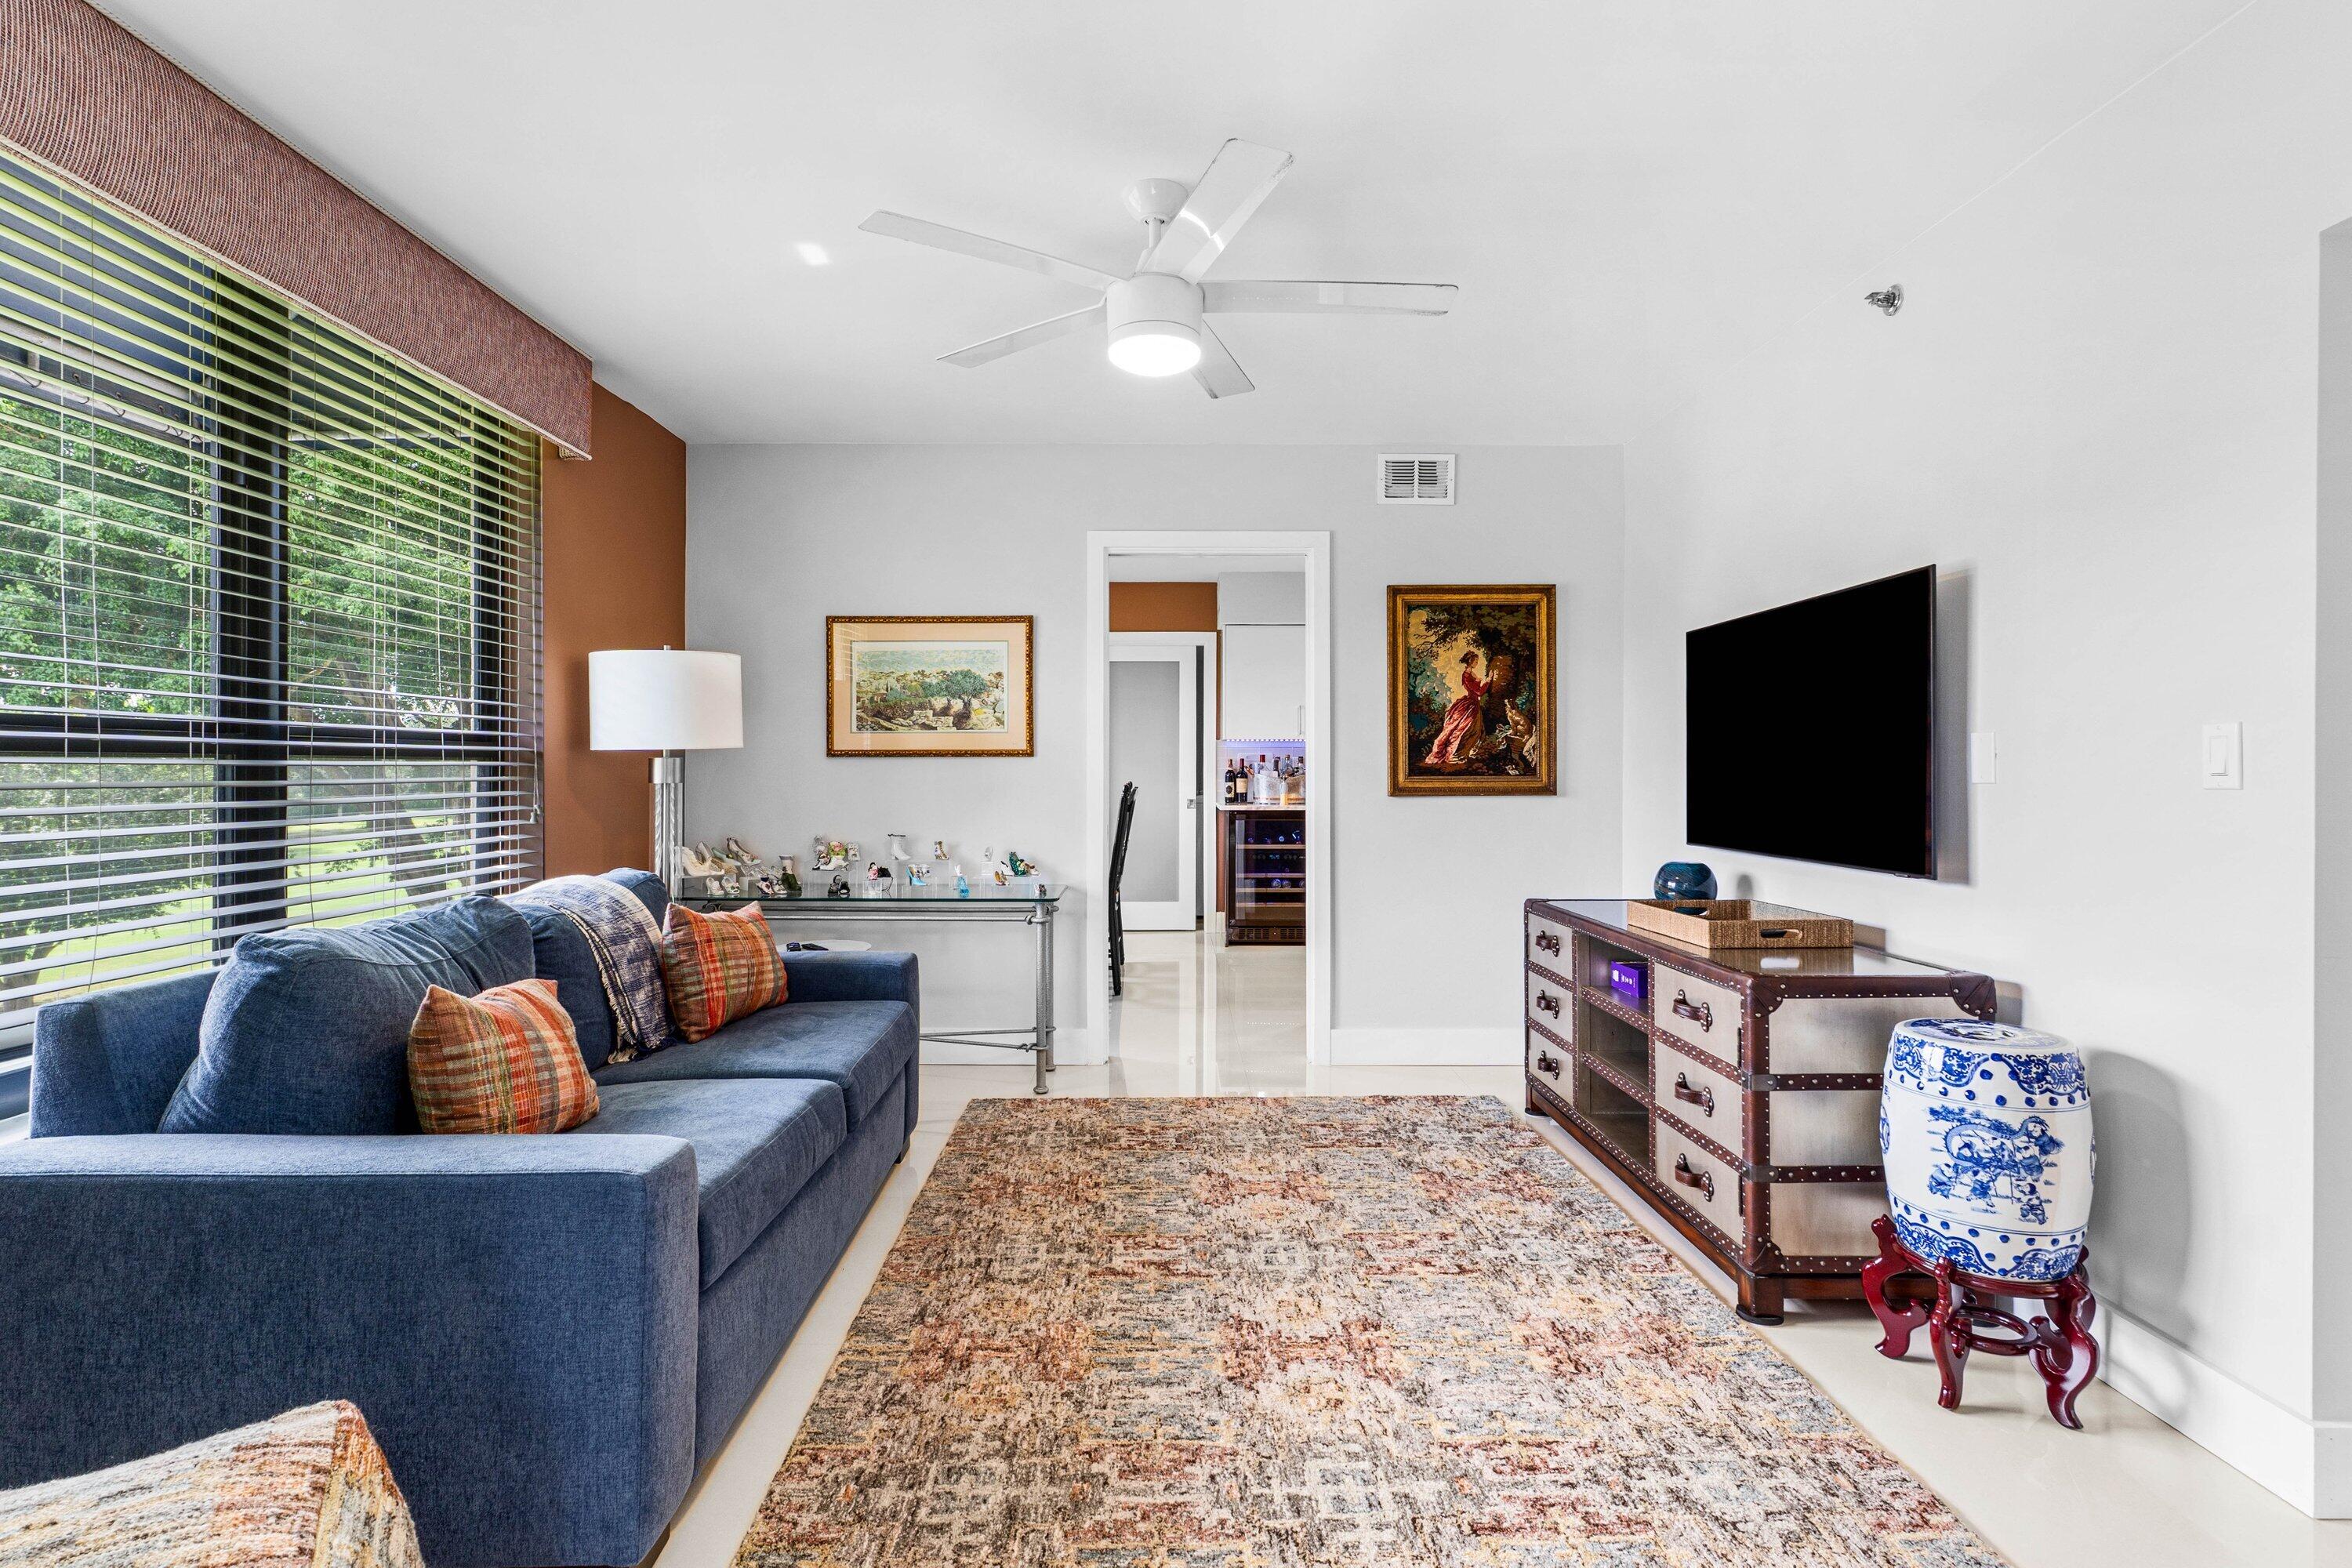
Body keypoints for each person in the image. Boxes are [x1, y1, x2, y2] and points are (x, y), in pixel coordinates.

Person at [1423, 646, 1486, 765]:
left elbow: (1477, 691)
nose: (1477, 663)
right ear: (1470, 662)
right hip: (1469, 706)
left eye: (1477, 661)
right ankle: (1453, 754)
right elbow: (1478, 692)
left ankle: (1462, 753)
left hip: (1474, 704)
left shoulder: (1472, 674)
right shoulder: (1466, 675)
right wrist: (1487, 682)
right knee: (1462, 730)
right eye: (1476, 661)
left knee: (1475, 730)